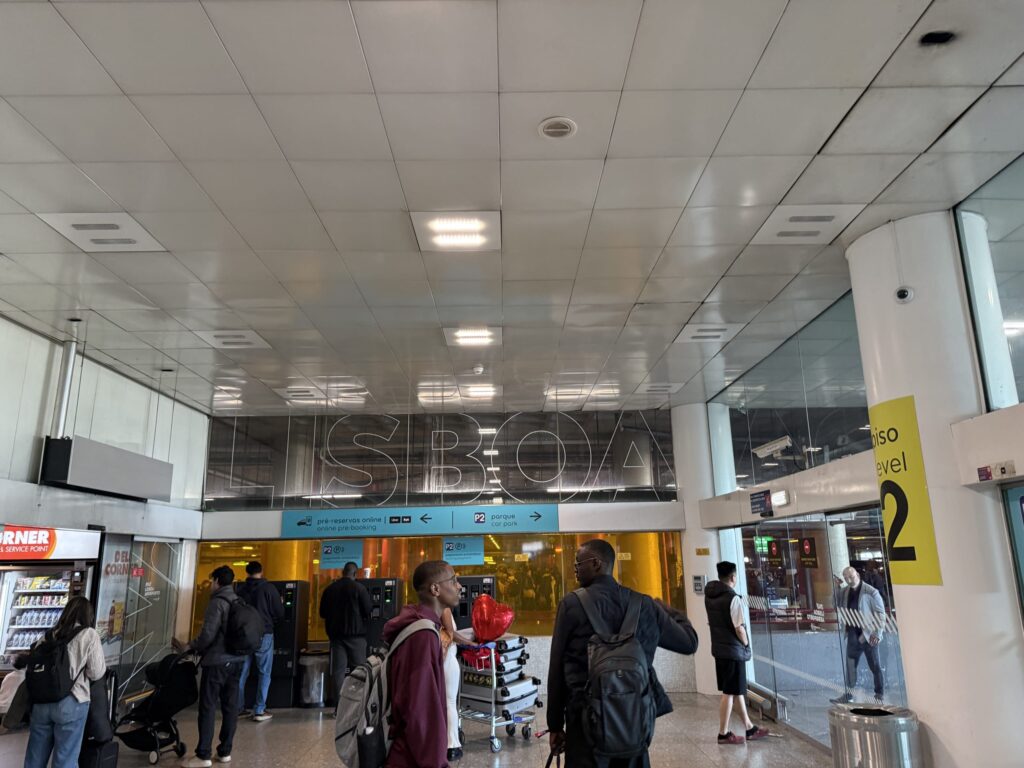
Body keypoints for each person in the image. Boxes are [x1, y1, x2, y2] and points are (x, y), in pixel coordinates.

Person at [548, 539, 699, 768]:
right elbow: (689, 643)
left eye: (579, 563)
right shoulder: (644, 605)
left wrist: (556, 725)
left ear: (597, 563)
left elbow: (556, 670)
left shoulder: (571, 605)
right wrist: (667, 611)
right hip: (633, 721)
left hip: (584, 726)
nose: (575, 569)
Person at [382, 560, 461, 768]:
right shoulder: (423, 636)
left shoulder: (425, 627)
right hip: (411, 759)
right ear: (435, 589)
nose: (459, 586)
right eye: (453, 581)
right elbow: (420, 710)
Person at [23, 596, 105, 768]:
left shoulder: (49, 634)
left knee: (34, 760)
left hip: (41, 703)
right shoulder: (89, 635)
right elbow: (96, 672)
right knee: (65, 760)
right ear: (88, 615)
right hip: (72, 703)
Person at [178, 566, 245, 768]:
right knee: (230, 708)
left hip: (217, 663)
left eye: (212, 581)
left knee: (207, 707)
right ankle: (225, 751)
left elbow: (207, 635)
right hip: (237, 661)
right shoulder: (238, 601)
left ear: (216, 581)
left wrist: (190, 646)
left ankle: (203, 754)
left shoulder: (217, 602)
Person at [704, 561, 769, 746]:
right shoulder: (732, 598)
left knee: (736, 690)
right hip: (733, 650)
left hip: (719, 648)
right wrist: (747, 644)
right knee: (729, 693)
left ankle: (749, 728)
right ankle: (723, 733)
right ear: (733, 577)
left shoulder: (710, 596)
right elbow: (739, 627)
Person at [235, 561, 283, 722]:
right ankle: (259, 710)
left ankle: (238, 708)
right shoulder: (269, 589)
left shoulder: (240, 590)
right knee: (264, 672)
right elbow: (279, 612)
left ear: (247, 572)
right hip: (264, 634)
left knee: (242, 672)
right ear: (261, 571)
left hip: (244, 636)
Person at [319, 561, 372, 702]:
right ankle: (357, 704)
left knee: (338, 671)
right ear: (355, 574)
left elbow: (322, 613)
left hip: (336, 637)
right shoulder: (359, 589)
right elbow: (368, 610)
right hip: (356, 636)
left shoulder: (329, 589)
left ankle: (339, 707)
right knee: (359, 670)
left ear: (343, 573)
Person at [832, 565, 886, 703]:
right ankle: (848, 695)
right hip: (852, 635)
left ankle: (879, 694)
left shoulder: (871, 592)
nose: (849, 580)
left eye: (851, 576)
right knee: (850, 667)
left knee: (875, 665)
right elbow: (836, 606)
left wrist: (877, 633)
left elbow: (881, 614)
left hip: (868, 635)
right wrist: (837, 588)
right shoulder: (844, 592)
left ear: (857, 575)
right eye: (846, 578)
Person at [440, 605, 472, 762]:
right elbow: (451, 634)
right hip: (448, 659)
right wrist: (470, 643)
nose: (458, 588)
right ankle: (452, 746)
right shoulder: (444, 609)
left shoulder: (428, 609)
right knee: (450, 702)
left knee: (443, 703)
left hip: (438, 658)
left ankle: (441, 742)